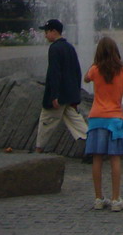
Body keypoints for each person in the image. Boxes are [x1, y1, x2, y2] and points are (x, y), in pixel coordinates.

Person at [83, 36, 123, 211]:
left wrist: (94, 63)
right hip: (115, 118)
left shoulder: (95, 70)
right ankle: (115, 199)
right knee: (115, 158)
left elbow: (85, 79)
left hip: (96, 118)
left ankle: (98, 198)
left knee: (97, 158)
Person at [35, 19, 88, 152]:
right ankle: (93, 145)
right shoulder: (69, 47)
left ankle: (38, 149)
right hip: (70, 94)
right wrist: (76, 96)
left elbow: (54, 73)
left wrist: (54, 95)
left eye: (46, 32)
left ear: (53, 31)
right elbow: (77, 72)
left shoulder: (54, 48)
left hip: (59, 95)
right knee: (75, 120)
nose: (45, 35)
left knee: (46, 120)